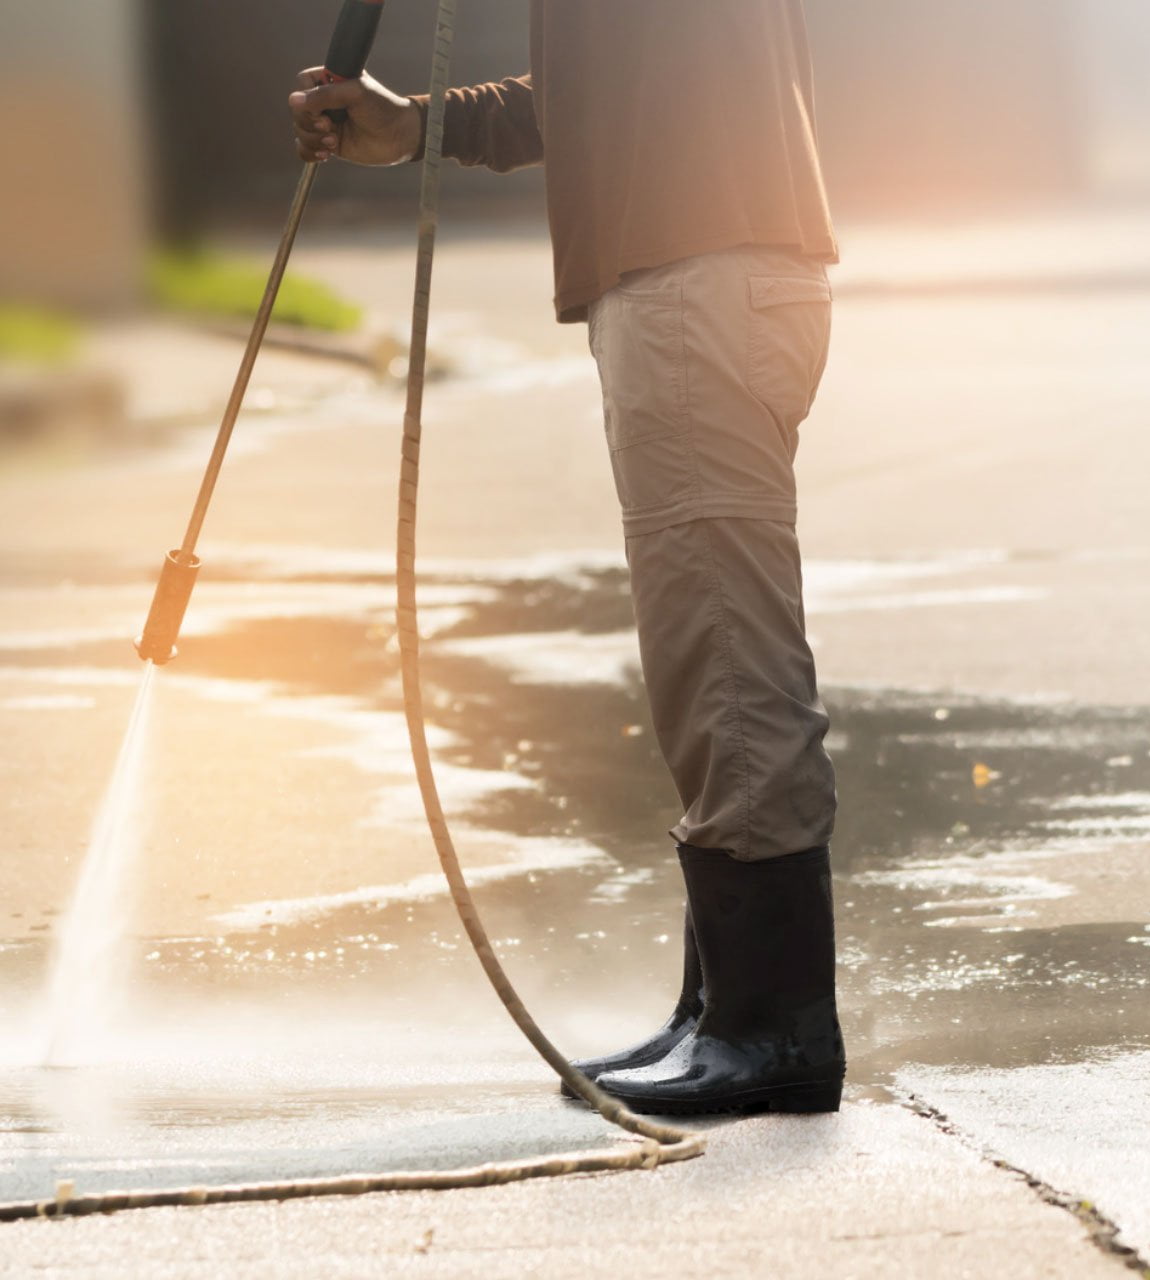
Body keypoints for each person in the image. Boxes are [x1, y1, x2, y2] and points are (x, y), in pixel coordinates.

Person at [289, 0, 845, 1115]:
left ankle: (775, 1024)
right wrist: (421, 127)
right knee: (702, 654)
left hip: (701, 274)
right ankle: (724, 1004)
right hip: (685, 277)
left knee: (725, 656)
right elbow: (590, 92)